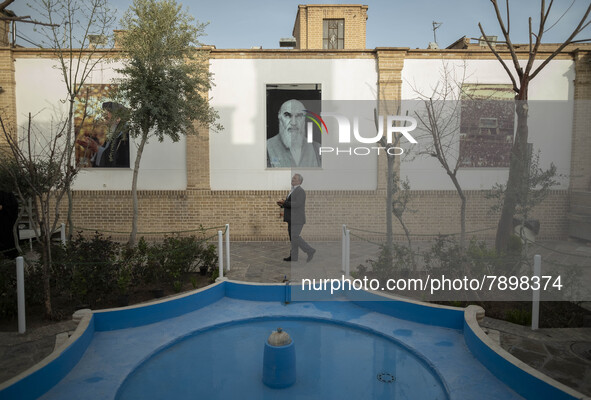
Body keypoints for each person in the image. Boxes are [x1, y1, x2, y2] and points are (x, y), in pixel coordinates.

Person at [267, 99, 321, 168]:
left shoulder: (317, 148)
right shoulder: (267, 148)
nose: (293, 123)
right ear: (279, 117)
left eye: (299, 116)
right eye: (287, 115)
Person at [77, 102, 130, 168]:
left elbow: (117, 160)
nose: (104, 116)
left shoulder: (124, 135)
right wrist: (94, 147)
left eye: (108, 113)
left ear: (118, 118)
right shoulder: (112, 133)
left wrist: (96, 148)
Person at [277, 173, 316, 262]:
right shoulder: (292, 190)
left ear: (299, 181)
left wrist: (284, 203)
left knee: (295, 237)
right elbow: (289, 203)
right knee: (292, 238)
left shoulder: (300, 191)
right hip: (291, 219)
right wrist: (282, 204)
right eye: (292, 178)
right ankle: (294, 257)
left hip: (297, 219)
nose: (292, 179)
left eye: (294, 178)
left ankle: (310, 250)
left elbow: (298, 204)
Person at [0, 190, 19, 258]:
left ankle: (11, 255)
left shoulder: (9, 195)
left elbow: (14, 206)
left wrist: (3, 207)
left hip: (8, 223)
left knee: (9, 240)